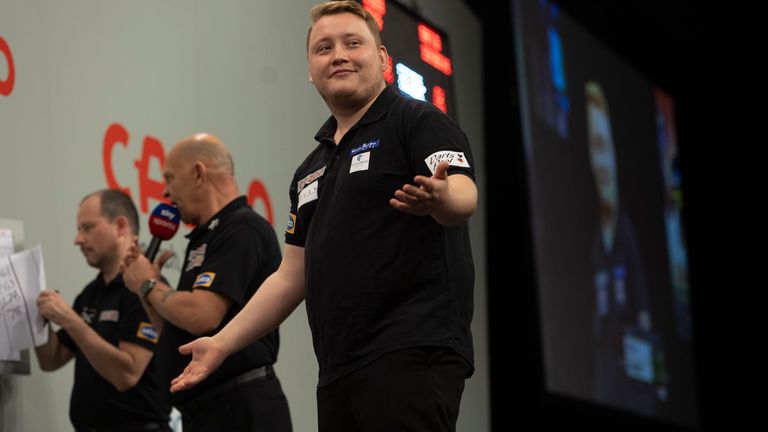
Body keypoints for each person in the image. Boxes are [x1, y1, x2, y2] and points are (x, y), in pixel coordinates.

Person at [170, 2, 478, 431]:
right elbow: (289, 276)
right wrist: (222, 343)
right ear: (310, 72)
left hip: (410, 350)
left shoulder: (416, 120)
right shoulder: (310, 169)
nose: (338, 56)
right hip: (337, 369)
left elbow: (463, 194)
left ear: (383, 58)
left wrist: (442, 197)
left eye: (353, 43)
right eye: (324, 48)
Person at [121, 133, 292, 432]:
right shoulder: (206, 235)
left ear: (199, 174)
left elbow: (202, 315)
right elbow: (177, 332)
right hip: (205, 412)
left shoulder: (241, 227)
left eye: (170, 178)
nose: (166, 192)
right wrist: (146, 288)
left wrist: (148, 283)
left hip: (240, 410)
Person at [34, 189, 170, 432]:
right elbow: (51, 359)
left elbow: (127, 374)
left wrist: (69, 319)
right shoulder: (91, 293)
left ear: (120, 226)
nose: (78, 239)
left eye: (87, 228)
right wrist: (34, 317)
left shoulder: (147, 289)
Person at [585, 81, 658, 415]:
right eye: (593, 148)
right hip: (606, 365)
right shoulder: (595, 239)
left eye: (604, 146)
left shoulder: (627, 229)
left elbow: (641, 295)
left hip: (634, 368)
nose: (600, 161)